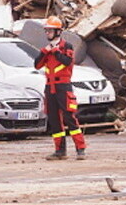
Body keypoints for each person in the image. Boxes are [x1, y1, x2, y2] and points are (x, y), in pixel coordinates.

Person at [35, 16, 87, 161]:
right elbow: (37, 64)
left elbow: (67, 61)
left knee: (69, 117)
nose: (47, 34)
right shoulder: (46, 49)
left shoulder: (66, 46)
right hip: (50, 86)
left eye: (50, 31)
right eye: (46, 31)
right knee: (54, 119)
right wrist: (45, 52)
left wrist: (56, 51)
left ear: (58, 31)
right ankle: (59, 150)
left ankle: (80, 148)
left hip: (63, 86)